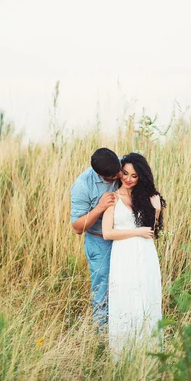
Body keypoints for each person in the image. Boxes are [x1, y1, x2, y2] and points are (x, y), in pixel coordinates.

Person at [102, 153, 166, 357]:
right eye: (125, 173)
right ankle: (124, 356)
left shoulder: (144, 198)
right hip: (124, 255)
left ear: (141, 177)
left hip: (146, 254)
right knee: (127, 299)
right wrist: (136, 232)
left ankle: (149, 355)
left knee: (147, 298)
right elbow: (107, 233)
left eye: (134, 176)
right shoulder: (112, 199)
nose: (128, 179)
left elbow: (152, 232)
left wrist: (156, 212)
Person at [70, 148, 122, 330]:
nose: (119, 176)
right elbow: (77, 227)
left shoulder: (123, 165)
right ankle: (101, 337)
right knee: (102, 290)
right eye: (112, 177)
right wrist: (99, 207)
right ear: (100, 174)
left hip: (125, 240)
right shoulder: (83, 185)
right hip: (99, 242)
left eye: (119, 171)